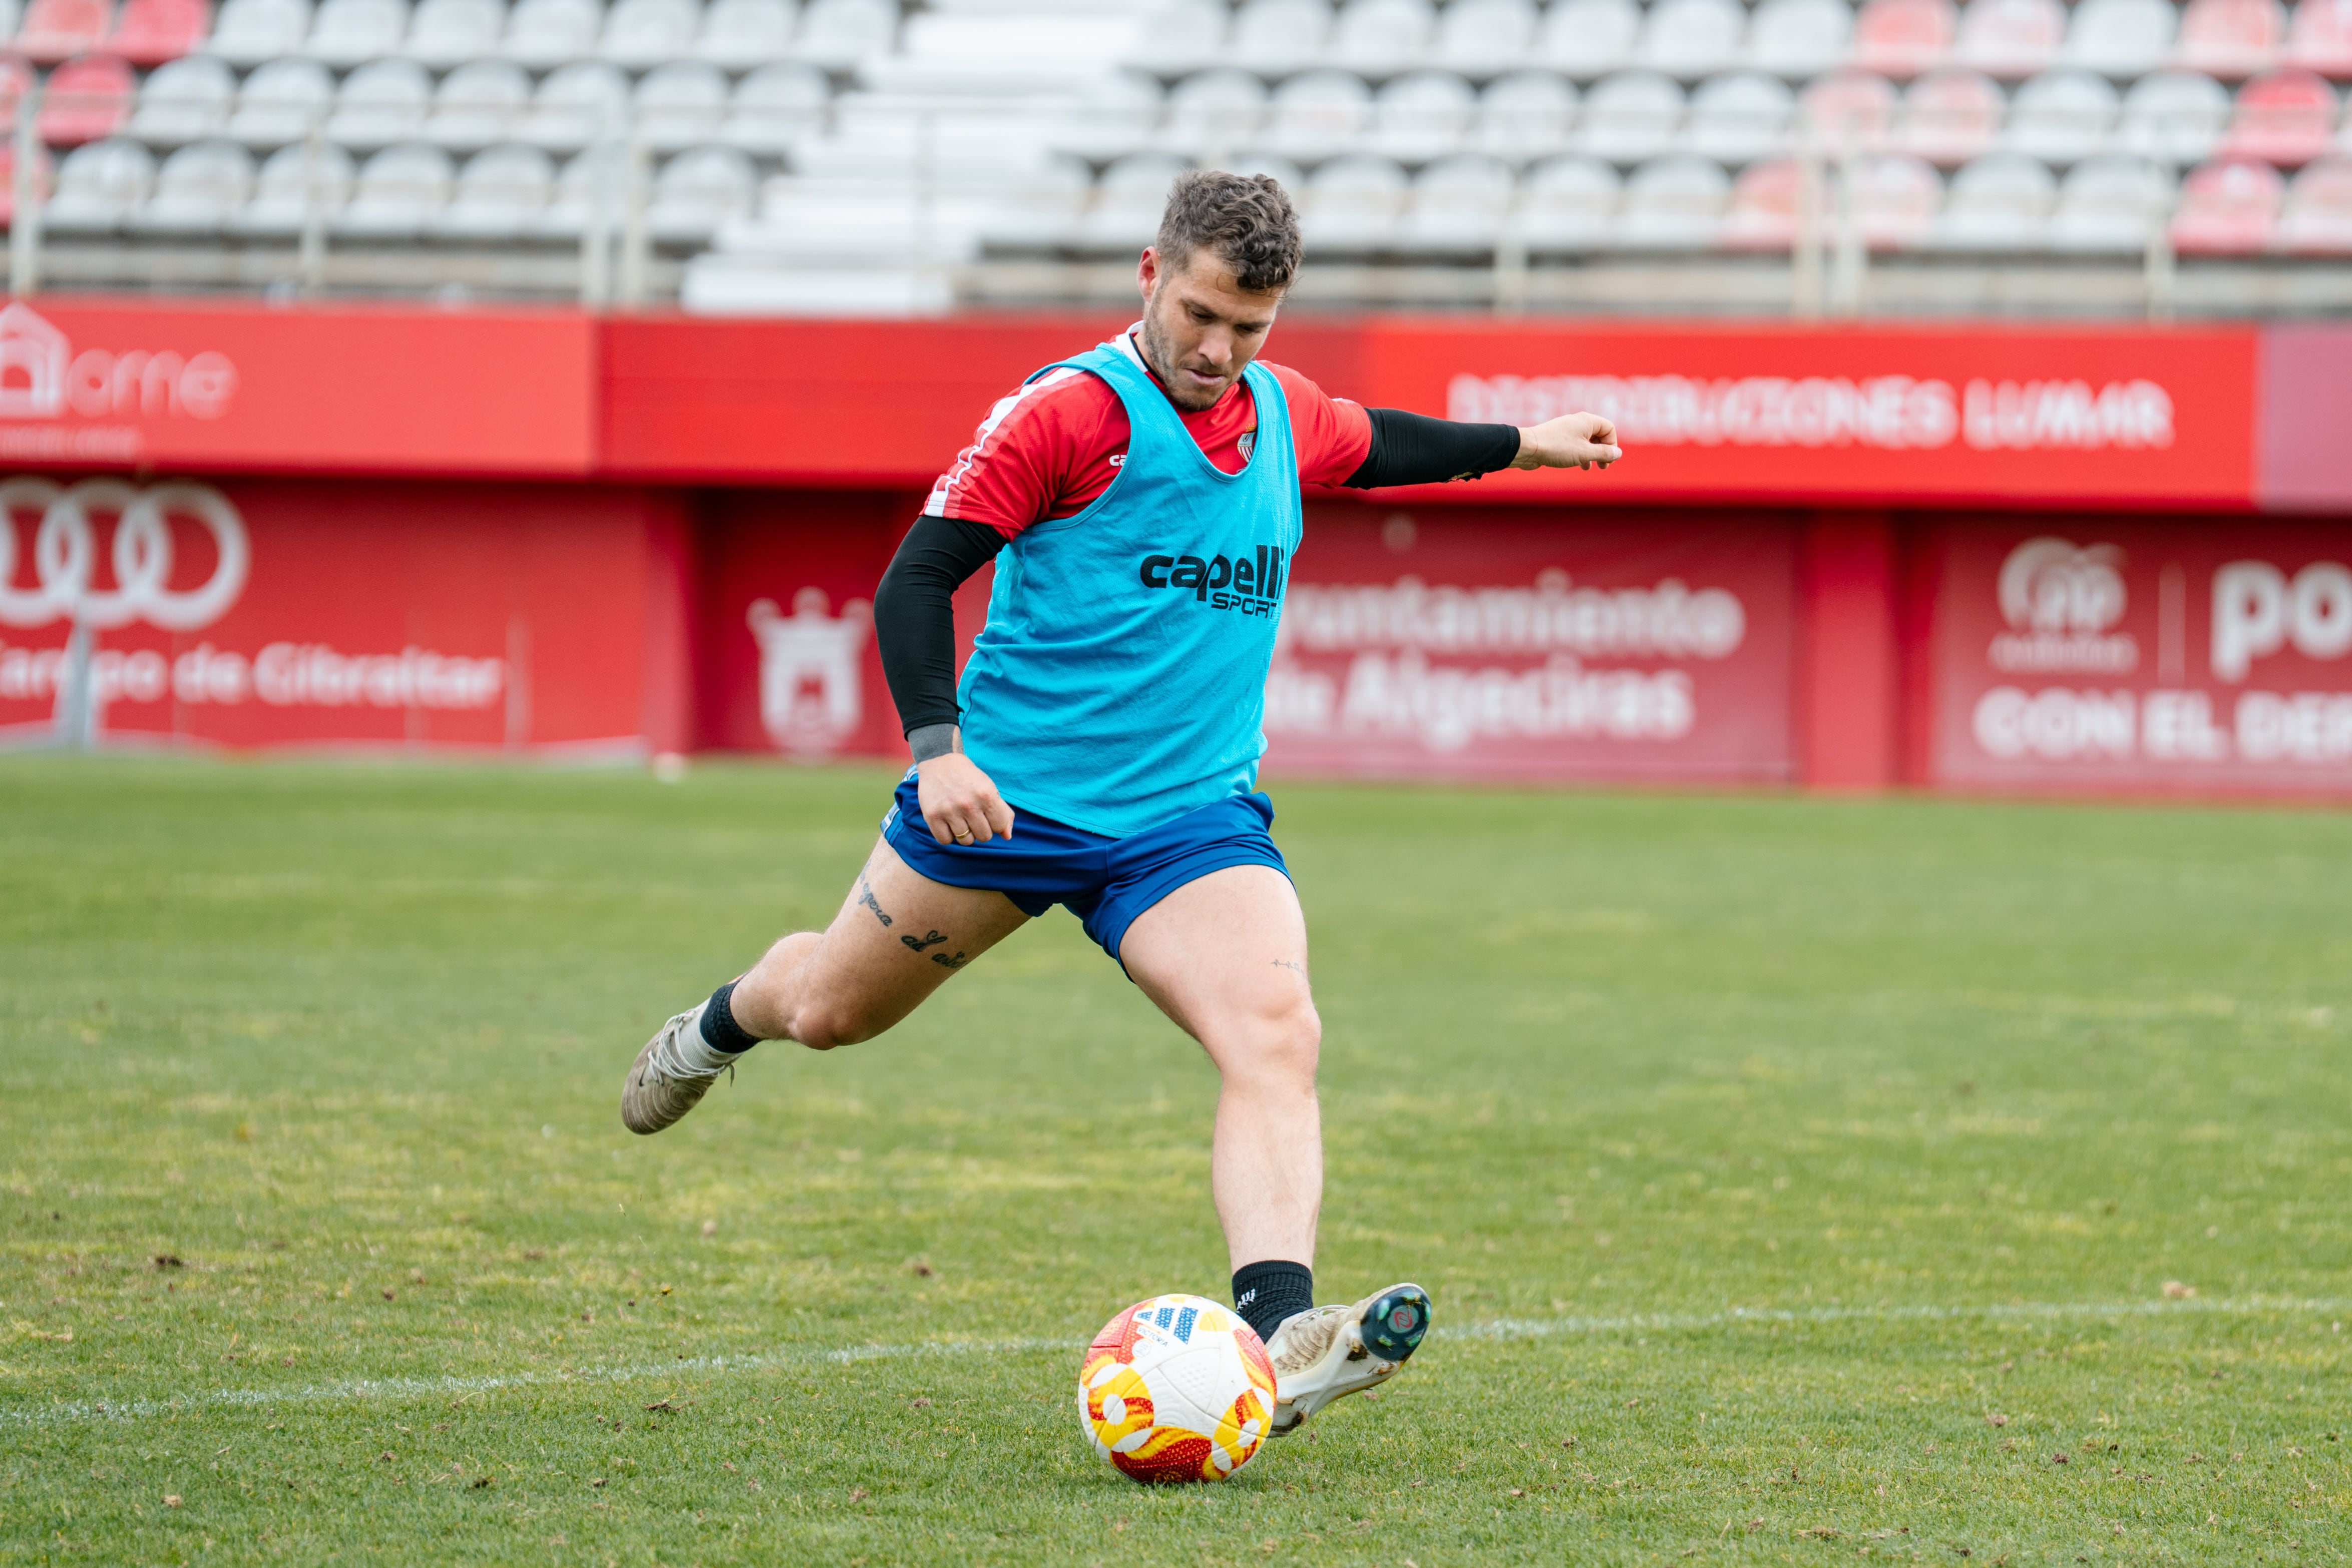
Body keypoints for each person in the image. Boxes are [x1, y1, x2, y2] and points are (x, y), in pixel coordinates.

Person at [621, 171, 1622, 1436]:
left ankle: (1275, 1335)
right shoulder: (1066, 415)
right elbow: (914, 581)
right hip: (1004, 806)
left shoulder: (1282, 413)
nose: (1218, 350)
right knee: (826, 1011)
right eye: (1200, 314)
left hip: (1187, 821)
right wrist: (939, 750)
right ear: (1152, 277)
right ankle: (718, 1025)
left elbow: (1384, 444)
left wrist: (1525, 443)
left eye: (1249, 328)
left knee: (1277, 1032)